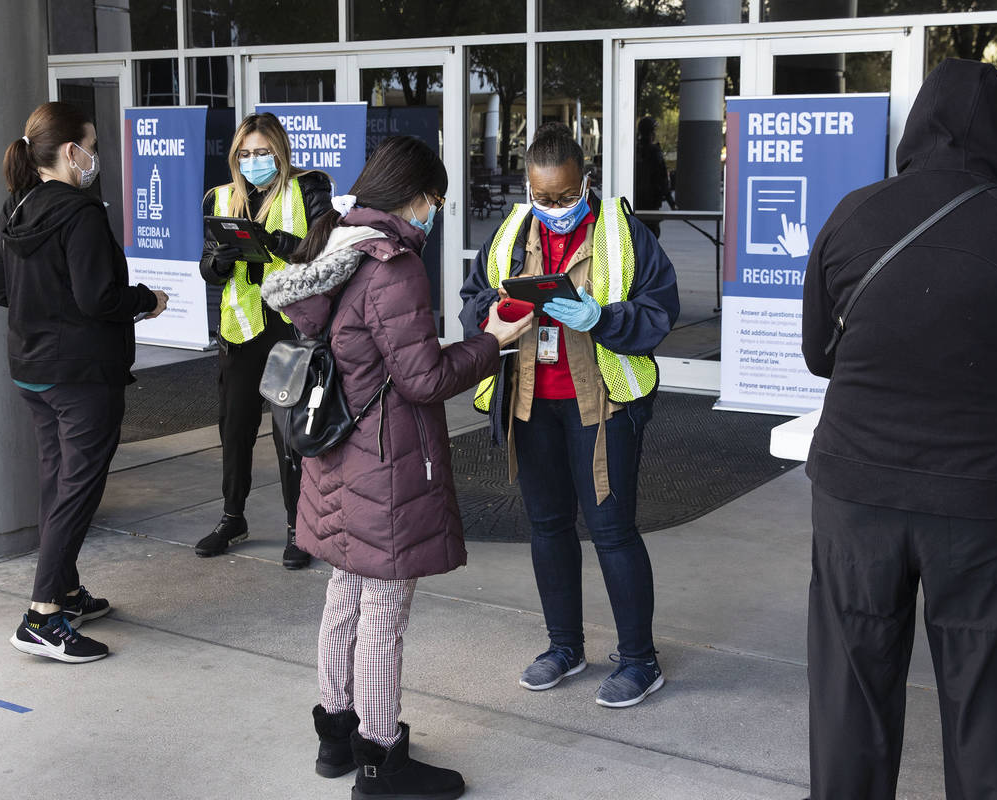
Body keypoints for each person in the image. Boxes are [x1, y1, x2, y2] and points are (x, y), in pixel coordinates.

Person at [800, 60, 997, 799]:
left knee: (850, 703)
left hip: (855, 493)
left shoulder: (852, 213)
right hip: (983, 503)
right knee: (988, 708)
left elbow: (817, 355)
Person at [261, 135, 531, 800]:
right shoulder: (394, 266)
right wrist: (491, 342)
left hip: (337, 453)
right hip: (386, 461)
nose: (435, 214)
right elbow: (422, 377)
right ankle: (381, 760)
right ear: (415, 198)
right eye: (435, 201)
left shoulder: (338, 243)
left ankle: (336, 734)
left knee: (344, 598)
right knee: (383, 610)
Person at [460, 121, 679, 709]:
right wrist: (495, 313)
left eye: (563, 196)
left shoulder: (622, 234)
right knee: (548, 526)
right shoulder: (510, 231)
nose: (553, 207)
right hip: (532, 403)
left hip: (602, 406)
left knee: (612, 532)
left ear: (586, 181)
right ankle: (565, 647)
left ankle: (639, 660)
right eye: (541, 196)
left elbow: (660, 311)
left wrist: (601, 319)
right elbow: (473, 298)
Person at [0, 101, 169, 663]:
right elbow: (101, 298)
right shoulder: (80, 213)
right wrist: (149, 299)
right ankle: (43, 615)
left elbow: (1, 290)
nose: (95, 157)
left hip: (33, 372)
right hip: (82, 376)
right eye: (91, 145)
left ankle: (65, 590)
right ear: (71, 152)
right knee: (78, 488)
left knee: (57, 481)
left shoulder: (14, 208)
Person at [194, 112, 332, 569]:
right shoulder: (220, 197)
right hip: (239, 329)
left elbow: (320, 246)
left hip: (287, 327)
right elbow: (208, 266)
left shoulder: (309, 186)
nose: (253, 161)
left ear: (281, 151)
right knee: (234, 430)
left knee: (288, 434)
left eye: (263, 153)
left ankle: (299, 528)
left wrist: (273, 239)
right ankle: (233, 517)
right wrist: (218, 261)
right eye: (245, 154)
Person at [633, 115, 675, 238]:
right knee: (651, 237)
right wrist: (672, 203)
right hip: (651, 204)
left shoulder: (634, 149)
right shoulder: (654, 152)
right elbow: (661, 179)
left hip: (636, 202)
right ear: (651, 132)